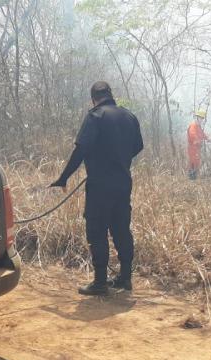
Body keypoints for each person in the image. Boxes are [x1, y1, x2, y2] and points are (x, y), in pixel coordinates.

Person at [50, 81, 144, 296]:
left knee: (97, 230)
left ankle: (100, 283)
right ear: (111, 95)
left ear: (93, 98)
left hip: (100, 185)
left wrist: (63, 178)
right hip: (122, 184)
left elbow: (81, 150)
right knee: (121, 229)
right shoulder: (129, 116)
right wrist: (119, 160)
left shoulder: (95, 116)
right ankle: (125, 278)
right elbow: (138, 146)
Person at [187, 110, 210, 179]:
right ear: (197, 117)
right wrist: (198, 140)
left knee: (196, 163)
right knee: (193, 163)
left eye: (202, 118)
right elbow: (193, 135)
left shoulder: (198, 126)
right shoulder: (193, 126)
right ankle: (191, 180)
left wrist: (207, 138)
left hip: (197, 148)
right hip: (192, 148)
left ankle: (194, 179)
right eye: (200, 118)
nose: (201, 120)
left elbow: (202, 134)